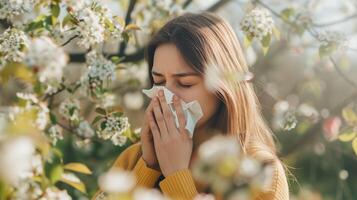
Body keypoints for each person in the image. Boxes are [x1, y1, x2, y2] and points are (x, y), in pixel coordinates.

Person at [93, 12, 289, 200]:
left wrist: (177, 174)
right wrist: (149, 167)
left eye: (185, 83)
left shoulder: (258, 171)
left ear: (222, 87)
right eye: (159, 82)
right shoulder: (135, 157)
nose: (167, 96)